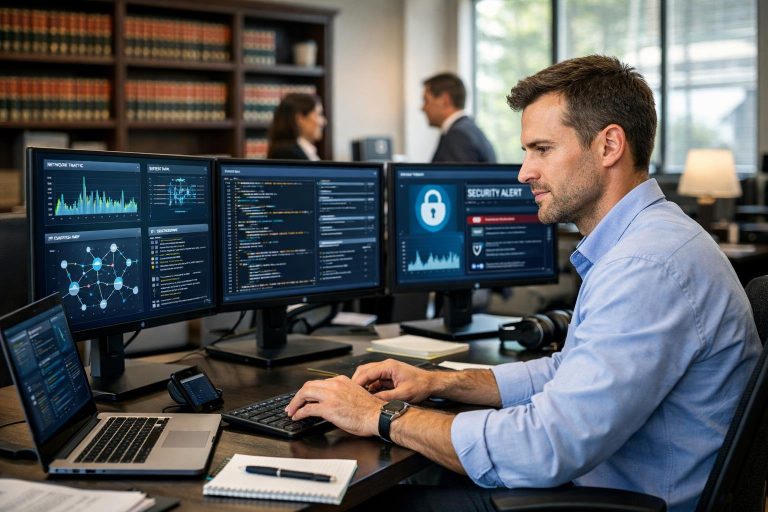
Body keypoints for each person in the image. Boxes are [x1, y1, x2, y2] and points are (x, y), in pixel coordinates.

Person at [286, 55, 761, 512]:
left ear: (609, 146)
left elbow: (545, 447)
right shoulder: (650, 240)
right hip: (610, 482)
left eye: (542, 149)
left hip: (617, 498)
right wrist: (439, 381)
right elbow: (568, 372)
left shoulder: (646, 265)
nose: (523, 172)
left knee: (371, 500)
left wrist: (377, 416)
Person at [422, 72, 496, 163]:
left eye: (426, 101)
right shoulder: (468, 130)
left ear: (445, 100)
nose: (423, 108)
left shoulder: (458, 136)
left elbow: (456, 177)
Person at [267, 93, 326, 160]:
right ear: (300, 119)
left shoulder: (303, 150)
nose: (323, 122)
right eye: (318, 114)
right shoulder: (286, 153)